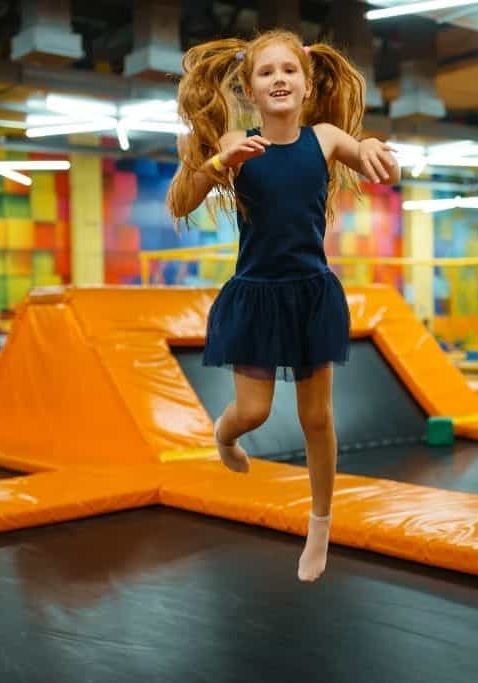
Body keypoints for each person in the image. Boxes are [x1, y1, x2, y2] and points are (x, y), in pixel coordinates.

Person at [166, 30, 400, 582]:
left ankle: (320, 524)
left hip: (311, 293)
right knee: (254, 414)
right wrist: (215, 160)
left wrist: (369, 149)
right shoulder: (236, 141)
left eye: (288, 71)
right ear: (249, 88)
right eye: (266, 72)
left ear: (307, 82)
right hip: (257, 295)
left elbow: (367, 155)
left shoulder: (323, 138)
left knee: (316, 418)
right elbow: (180, 201)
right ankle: (224, 435)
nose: (279, 79)